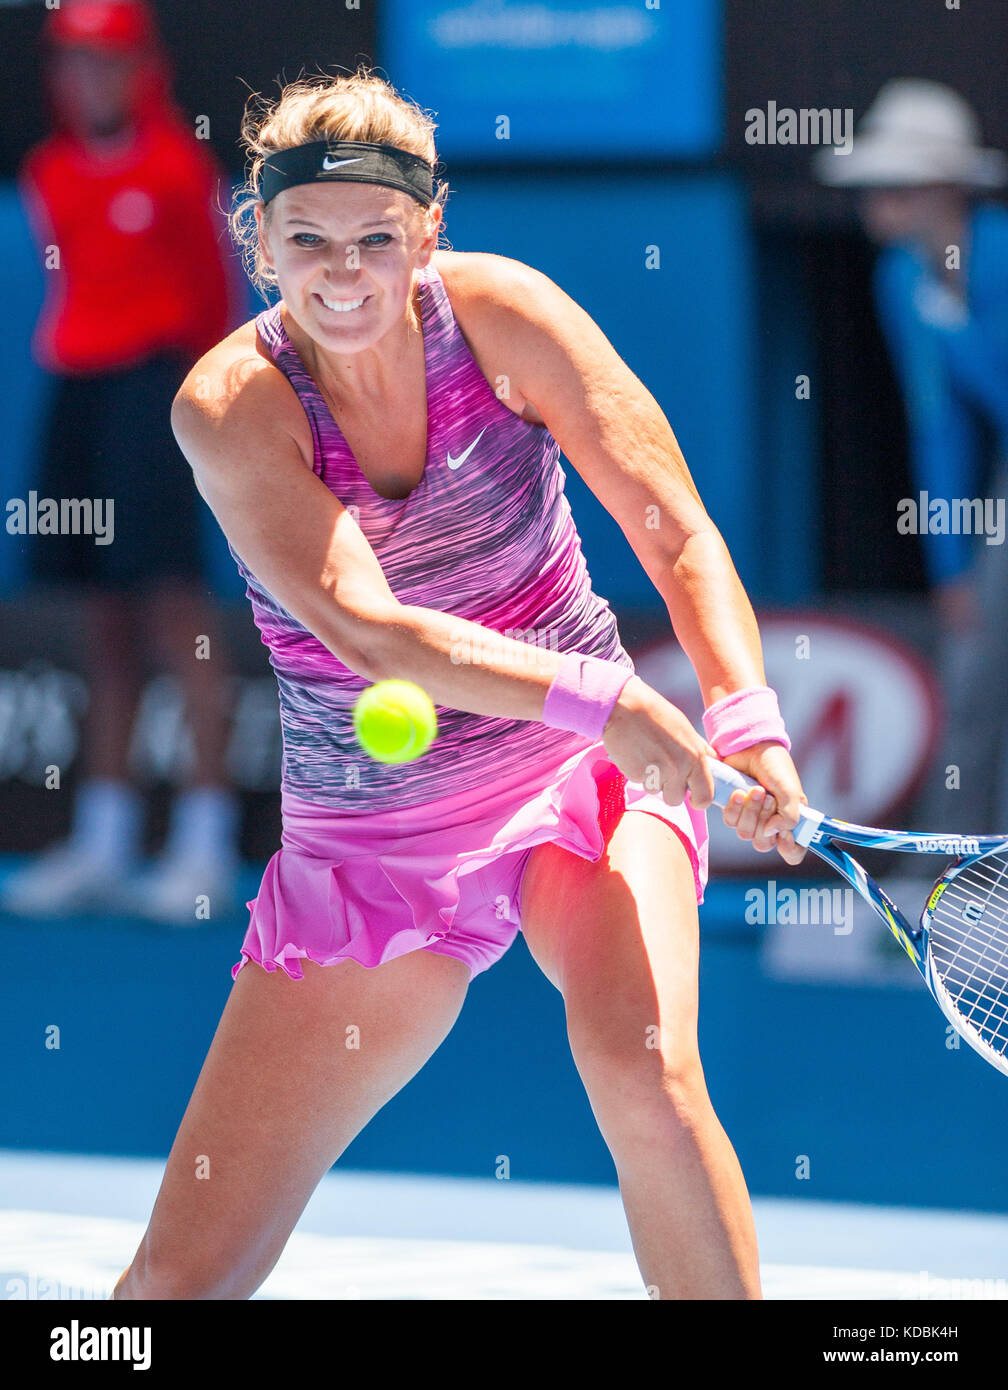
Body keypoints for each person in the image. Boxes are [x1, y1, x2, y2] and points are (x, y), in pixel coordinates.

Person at [112, 66, 807, 1302]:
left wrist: (750, 724)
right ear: (259, 241)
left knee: (647, 1074)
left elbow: (677, 532)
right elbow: (376, 636)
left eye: (378, 237)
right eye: (307, 238)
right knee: (176, 1283)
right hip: (376, 839)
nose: (344, 270)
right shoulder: (226, 407)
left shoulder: (504, 315)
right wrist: (630, 704)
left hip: (579, 782)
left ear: (430, 230)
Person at [6, 0, 245, 923]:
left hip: (160, 396)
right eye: (69, 61)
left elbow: (212, 307)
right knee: (101, 619)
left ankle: (205, 840)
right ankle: (102, 839)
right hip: (77, 395)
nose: (86, 79)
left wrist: (201, 419)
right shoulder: (49, 172)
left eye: (104, 61)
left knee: (176, 608)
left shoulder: (183, 171)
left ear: (142, 67)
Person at [814, 80, 1008, 832]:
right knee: (977, 672)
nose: (878, 205)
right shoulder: (898, 280)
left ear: (949, 187)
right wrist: (953, 568)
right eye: (873, 187)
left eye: (897, 186)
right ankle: (967, 875)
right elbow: (940, 426)